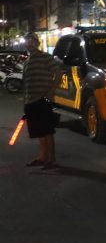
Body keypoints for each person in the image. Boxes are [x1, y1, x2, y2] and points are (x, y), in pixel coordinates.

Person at [21, 32, 59, 170]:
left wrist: (51, 91)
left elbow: (59, 73)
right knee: (38, 132)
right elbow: (26, 82)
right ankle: (42, 158)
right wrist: (25, 101)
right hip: (30, 101)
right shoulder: (27, 61)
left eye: (32, 41)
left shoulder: (46, 58)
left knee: (47, 130)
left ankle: (51, 159)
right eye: (27, 41)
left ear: (37, 43)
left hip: (43, 99)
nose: (29, 44)